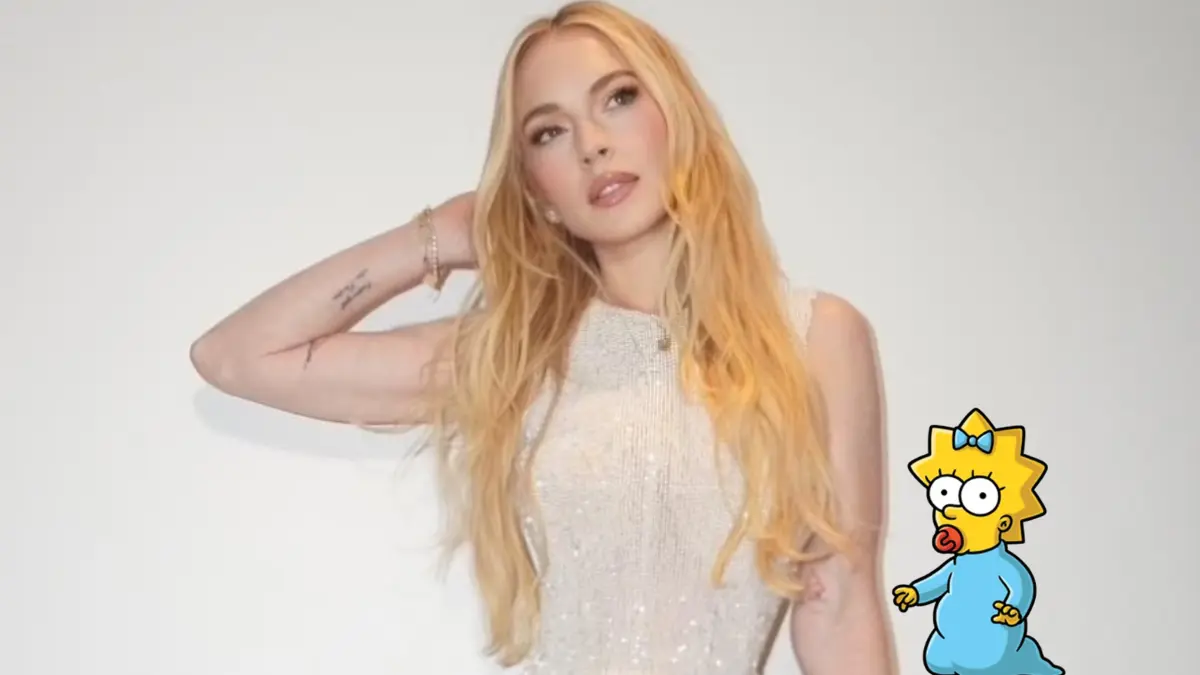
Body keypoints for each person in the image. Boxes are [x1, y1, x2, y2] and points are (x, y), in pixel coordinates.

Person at [189, 1, 895, 673]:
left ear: (676, 117)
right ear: (536, 190)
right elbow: (236, 356)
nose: (592, 145)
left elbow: (838, 601)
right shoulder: (517, 357)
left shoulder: (815, 337)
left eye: (618, 98)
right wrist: (439, 236)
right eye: (549, 133)